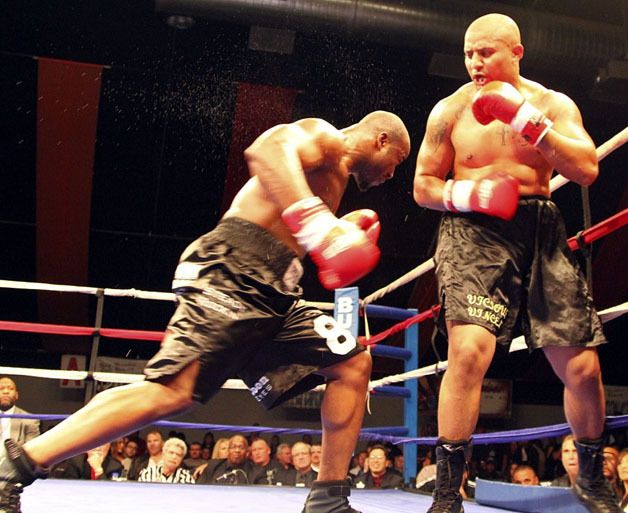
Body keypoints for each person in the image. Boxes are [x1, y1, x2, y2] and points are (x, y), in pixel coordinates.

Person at [413, 12, 619, 513]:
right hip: (473, 231)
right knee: (468, 354)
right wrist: (473, 193)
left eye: (486, 52)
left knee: (584, 367)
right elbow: (423, 186)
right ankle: (446, 491)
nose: (475, 63)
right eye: (469, 54)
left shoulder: (552, 103)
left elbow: (587, 168)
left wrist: (527, 122)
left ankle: (592, 479)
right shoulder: (449, 111)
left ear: (516, 52)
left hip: (541, 227)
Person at [0, 378, 40, 445]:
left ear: (16, 395)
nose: (6, 391)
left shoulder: (30, 420)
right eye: (1, 388)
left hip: (17, 455)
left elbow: (31, 451)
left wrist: (16, 451)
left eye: (11, 389)